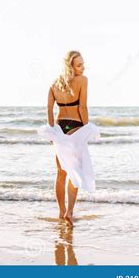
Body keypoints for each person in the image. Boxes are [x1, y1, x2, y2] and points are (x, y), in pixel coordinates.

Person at [46, 50, 90, 226]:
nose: (83, 68)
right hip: (75, 127)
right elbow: (83, 108)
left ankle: (61, 211)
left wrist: (51, 130)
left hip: (59, 127)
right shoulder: (83, 81)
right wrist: (86, 130)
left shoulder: (55, 83)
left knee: (61, 173)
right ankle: (69, 213)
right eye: (79, 65)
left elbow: (49, 108)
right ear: (70, 66)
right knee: (75, 173)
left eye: (83, 64)